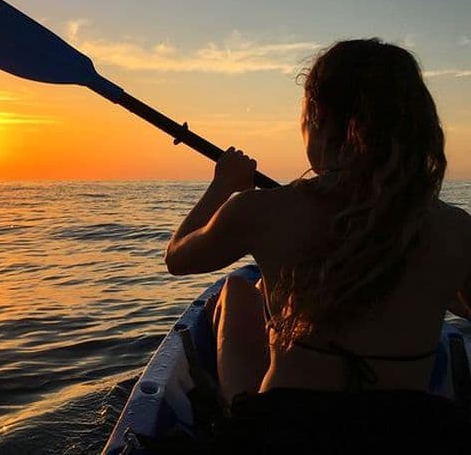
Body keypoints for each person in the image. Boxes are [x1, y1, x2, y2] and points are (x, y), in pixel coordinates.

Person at [164, 38, 470, 449]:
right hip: (411, 429)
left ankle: (235, 407)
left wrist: (223, 186)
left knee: (237, 289)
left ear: (318, 119)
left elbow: (178, 257)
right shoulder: (455, 229)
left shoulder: (260, 211)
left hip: (286, 430)